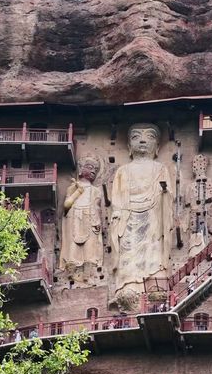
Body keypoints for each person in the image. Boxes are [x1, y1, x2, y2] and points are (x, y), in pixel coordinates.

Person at [110, 124, 173, 295]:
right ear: (129, 147)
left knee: (154, 249)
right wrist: (118, 215)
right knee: (128, 252)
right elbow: (116, 198)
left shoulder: (161, 168)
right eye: (136, 137)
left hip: (154, 214)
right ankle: (129, 286)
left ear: (158, 147)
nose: (143, 140)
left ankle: (155, 284)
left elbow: (168, 196)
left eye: (150, 137)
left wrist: (165, 193)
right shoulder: (123, 170)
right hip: (128, 216)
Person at [59, 155, 104, 271]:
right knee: (73, 247)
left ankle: (91, 268)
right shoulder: (72, 188)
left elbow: (97, 207)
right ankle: (72, 268)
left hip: (91, 219)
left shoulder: (96, 191)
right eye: (89, 167)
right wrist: (78, 191)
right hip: (75, 217)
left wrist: (97, 221)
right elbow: (66, 205)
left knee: (90, 249)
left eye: (95, 169)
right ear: (81, 169)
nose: (93, 170)